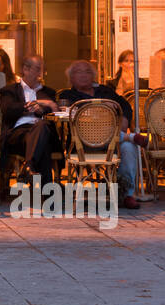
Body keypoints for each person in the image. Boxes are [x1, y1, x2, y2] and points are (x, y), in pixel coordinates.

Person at [58, 59, 142, 209]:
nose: (84, 75)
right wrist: (104, 105)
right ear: (71, 77)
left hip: (110, 142)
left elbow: (124, 105)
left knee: (129, 148)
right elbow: (70, 109)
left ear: (94, 76)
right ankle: (128, 136)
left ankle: (127, 194)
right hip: (83, 144)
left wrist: (124, 118)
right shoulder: (68, 95)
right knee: (128, 140)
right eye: (78, 72)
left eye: (88, 71)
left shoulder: (105, 91)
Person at [0, 54, 63, 194]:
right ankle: (48, 196)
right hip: (19, 134)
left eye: (43, 70)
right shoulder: (9, 90)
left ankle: (29, 166)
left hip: (41, 131)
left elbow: (52, 112)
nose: (41, 74)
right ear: (26, 69)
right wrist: (28, 106)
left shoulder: (48, 92)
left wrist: (42, 109)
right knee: (42, 139)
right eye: (38, 69)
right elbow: (7, 110)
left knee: (42, 128)